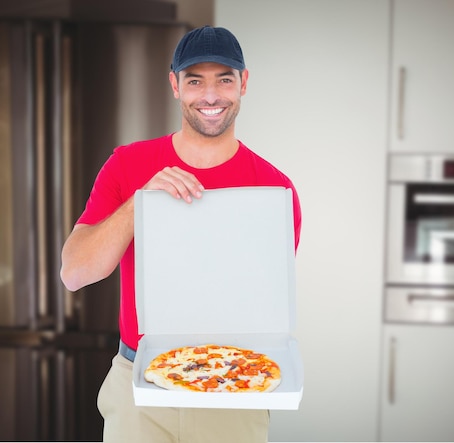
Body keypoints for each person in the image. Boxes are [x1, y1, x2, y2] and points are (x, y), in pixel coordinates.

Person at [60, 25, 301, 443]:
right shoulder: (126, 165)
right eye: (195, 80)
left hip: (235, 384)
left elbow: (261, 306)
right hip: (139, 385)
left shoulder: (274, 191)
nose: (210, 95)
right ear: (175, 85)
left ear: (244, 83)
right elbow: (75, 273)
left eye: (224, 79)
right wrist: (140, 203)